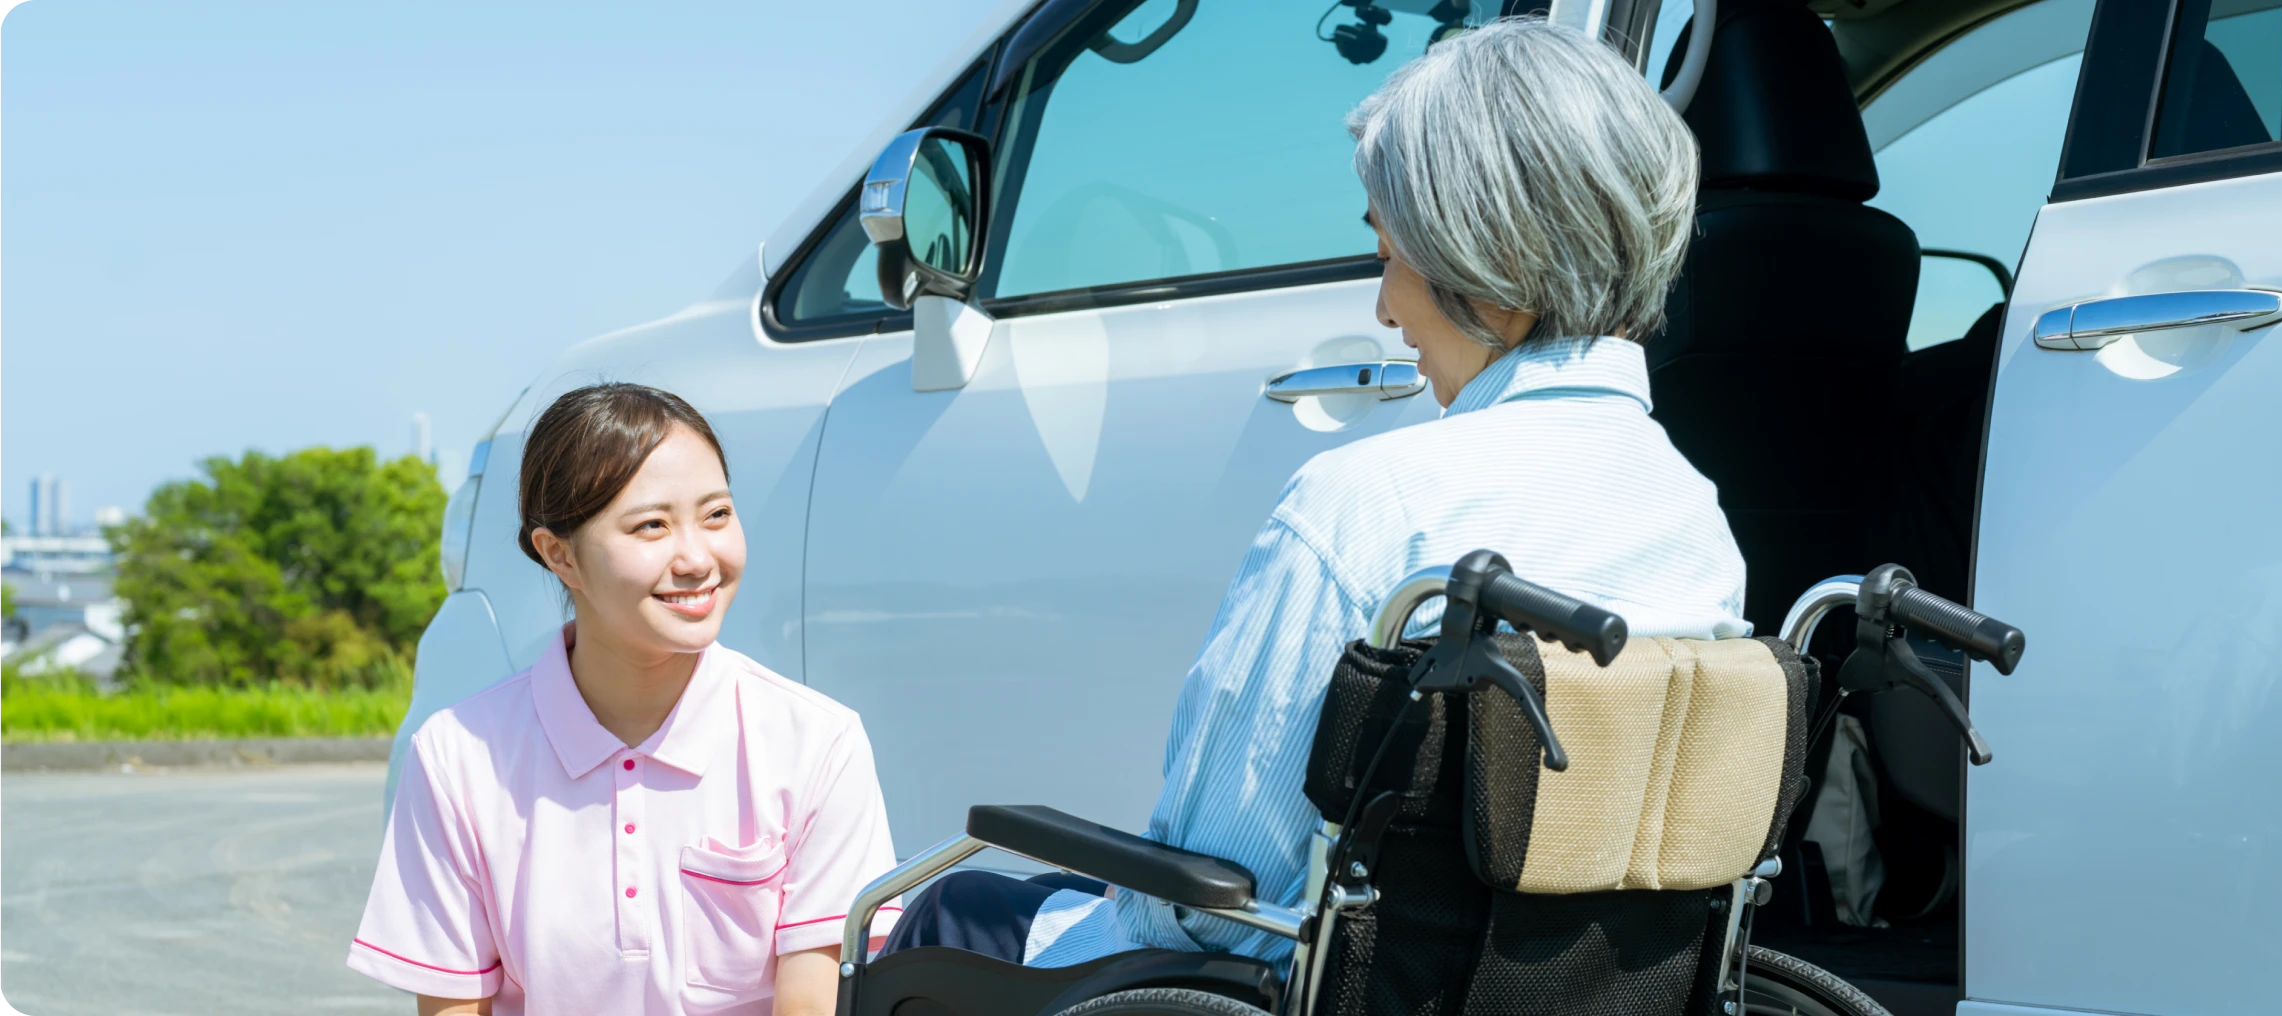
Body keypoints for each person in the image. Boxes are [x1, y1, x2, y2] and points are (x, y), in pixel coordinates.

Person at [878, 16, 1747, 972]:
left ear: (1487, 267)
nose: (1384, 308)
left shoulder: (1369, 505)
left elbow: (1208, 899)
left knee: (947, 913)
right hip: (1568, 990)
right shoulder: (1698, 524)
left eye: (1390, 254)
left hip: (1301, 983)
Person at [348, 384, 900, 1016]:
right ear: (559, 556)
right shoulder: (456, 758)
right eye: (652, 526)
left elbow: (813, 1001)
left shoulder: (818, 743)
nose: (697, 558)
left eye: (717, 515)